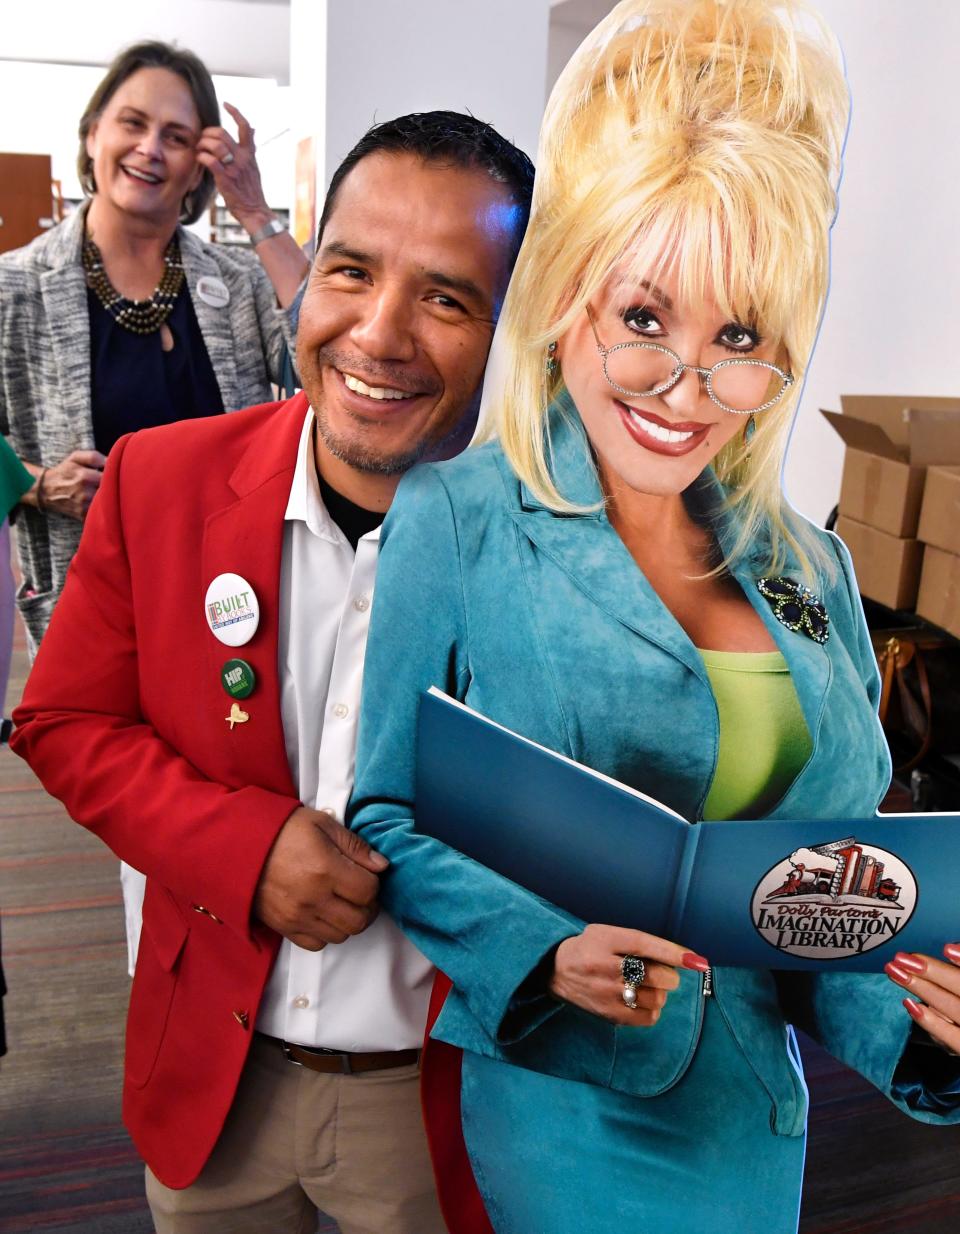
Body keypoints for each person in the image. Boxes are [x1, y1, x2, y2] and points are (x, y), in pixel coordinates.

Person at [347, 4, 960, 1232]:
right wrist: (539, 950)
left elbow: (814, 899)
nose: (686, 390)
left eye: (737, 338)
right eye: (644, 321)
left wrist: (926, 1010)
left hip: (752, 1118)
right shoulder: (460, 519)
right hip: (570, 1104)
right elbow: (386, 813)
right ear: (569, 294)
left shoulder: (811, 568)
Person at [11, 111, 533, 1233]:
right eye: (349, 270)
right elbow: (62, 720)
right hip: (213, 1077)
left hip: (443, 1103)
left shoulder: (554, 558)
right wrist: (242, 851)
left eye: (446, 298)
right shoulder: (160, 483)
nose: (378, 334)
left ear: (513, 331)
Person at [0, 40, 309, 659]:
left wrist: (253, 210)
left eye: (175, 136)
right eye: (133, 124)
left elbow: (325, 352)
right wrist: (36, 485)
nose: (150, 148)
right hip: (89, 603)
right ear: (93, 136)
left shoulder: (240, 282)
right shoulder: (16, 288)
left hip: (230, 604)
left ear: (199, 167)